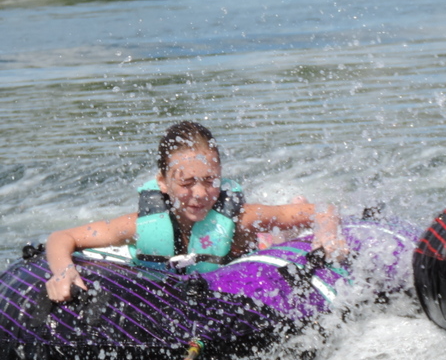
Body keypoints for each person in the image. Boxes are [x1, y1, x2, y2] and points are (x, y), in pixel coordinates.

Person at [45, 121, 346, 302]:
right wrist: (64, 272)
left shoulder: (241, 218)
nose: (200, 194)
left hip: (241, 269)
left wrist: (327, 232)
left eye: (210, 181)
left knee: (271, 234)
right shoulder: (138, 226)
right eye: (187, 183)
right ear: (163, 183)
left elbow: (323, 210)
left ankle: (284, 229)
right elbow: (62, 238)